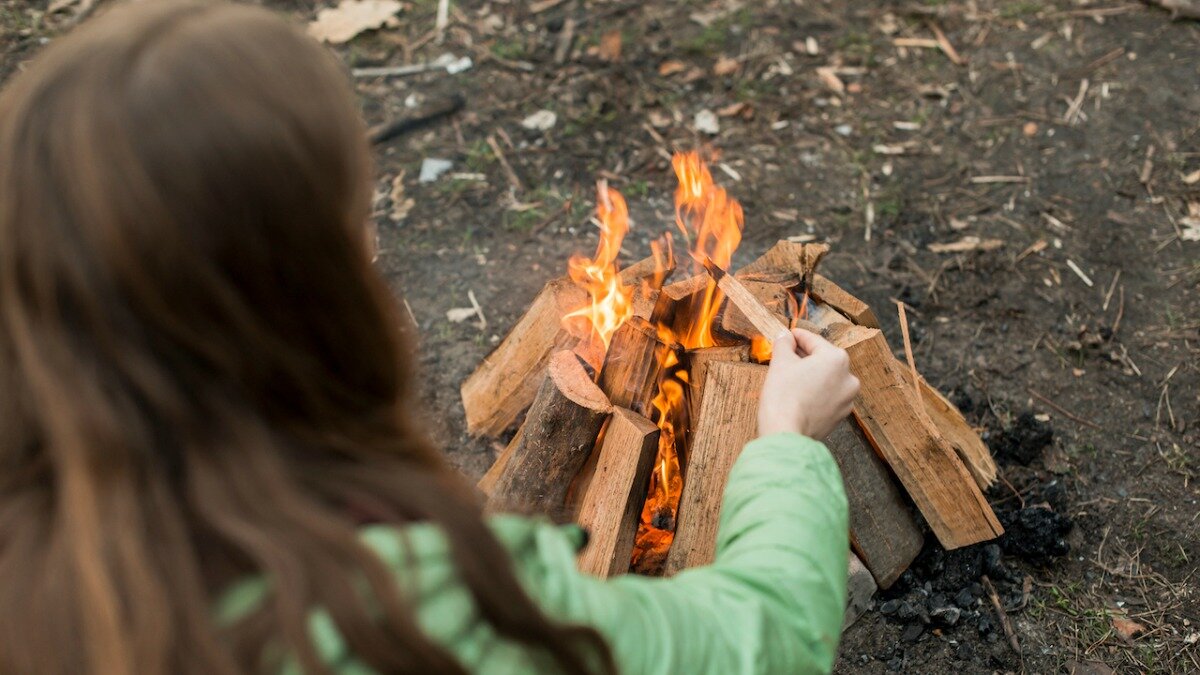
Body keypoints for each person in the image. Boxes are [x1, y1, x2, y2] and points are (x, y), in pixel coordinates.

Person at [0, 2, 859, 673]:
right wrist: (782, 442)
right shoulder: (408, 617)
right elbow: (765, 636)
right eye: (353, 237)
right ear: (306, 302)